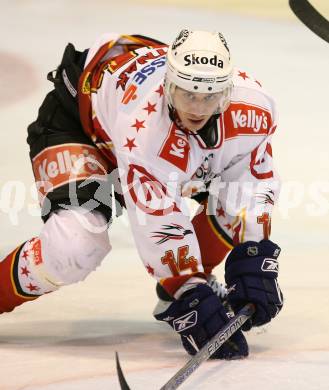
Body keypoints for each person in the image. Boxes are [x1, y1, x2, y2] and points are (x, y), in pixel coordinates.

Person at [0, 29, 283, 359]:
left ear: (227, 91)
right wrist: (187, 290)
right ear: (167, 86)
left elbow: (250, 181)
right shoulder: (146, 128)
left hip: (145, 135)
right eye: (187, 94)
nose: (198, 107)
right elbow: (159, 221)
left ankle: (182, 283)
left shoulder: (254, 110)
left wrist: (252, 251)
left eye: (210, 97)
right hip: (83, 127)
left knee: (230, 204)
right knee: (73, 247)